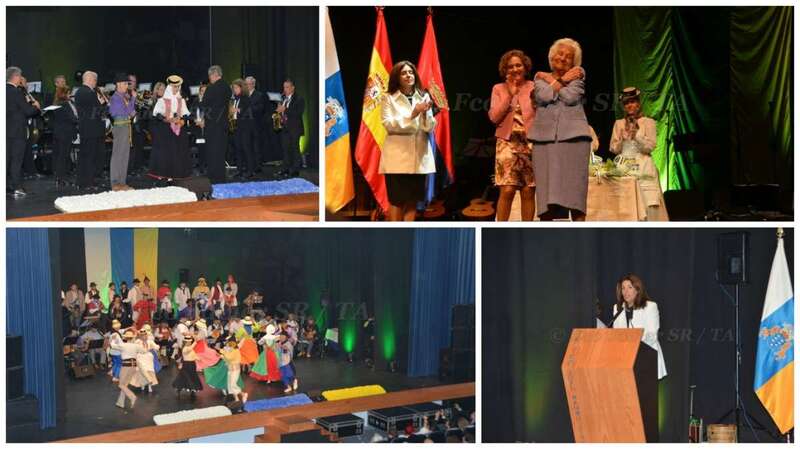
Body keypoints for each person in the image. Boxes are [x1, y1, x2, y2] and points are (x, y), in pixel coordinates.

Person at [528, 38, 591, 221]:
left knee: (575, 196)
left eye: (569, 57)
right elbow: (543, 95)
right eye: (560, 53)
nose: (563, 58)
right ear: (552, 55)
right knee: (546, 197)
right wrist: (560, 80)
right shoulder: (539, 78)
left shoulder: (579, 74)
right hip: (544, 141)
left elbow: (571, 97)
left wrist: (554, 82)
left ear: (574, 63)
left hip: (575, 139)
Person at [379, 61, 436, 221]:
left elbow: (429, 127)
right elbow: (389, 125)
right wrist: (414, 113)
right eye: (404, 73)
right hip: (397, 159)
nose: (408, 75)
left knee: (413, 200)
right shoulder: (388, 98)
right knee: (397, 200)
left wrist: (425, 114)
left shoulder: (423, 96)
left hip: (419, 157)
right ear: (397, 77)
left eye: (410, 72)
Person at [489, 50, 536, 221]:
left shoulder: (533, 86)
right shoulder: (498, 88)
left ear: (525, 67)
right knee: (507, 189)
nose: (515, 69)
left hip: (530, 143)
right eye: (510, 66)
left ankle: (527, 233)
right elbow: (494, 117)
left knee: (528, 190)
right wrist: (510, 93)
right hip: (507, 142)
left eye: (518, 65)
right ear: (505, 70)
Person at [609, 87, 669, 221]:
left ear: (638, 103)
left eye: (632, 102)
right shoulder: (619, 123)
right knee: (625, 204)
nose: (629, 105)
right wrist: (622, 139)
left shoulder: (648, 122)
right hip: (624, 165)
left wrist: (636, 135)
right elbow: (613, 148)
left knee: (647, 203)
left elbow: (650, 147)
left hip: (643, 164)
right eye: (626, 103)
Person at [611, 274, 667, 379]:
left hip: (646, 359)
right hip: (624, 362)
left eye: (629, 287)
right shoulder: (618, 308)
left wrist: (632, 350)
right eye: (623, 288)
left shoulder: (650, 306)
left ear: (637, 289)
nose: (625, 291)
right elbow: (616, 335)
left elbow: (651, 335)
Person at [6, 67, 41, 197]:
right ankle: (16, 187)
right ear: (15, 77)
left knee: (6, 159)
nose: (21, 79)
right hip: (17, 131)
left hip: (5, 130)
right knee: (16, 160)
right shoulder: (16, 92)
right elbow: (28, 111)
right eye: (20, 77)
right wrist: (36, 107)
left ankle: (6, 186)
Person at [149, 75, 191, 180]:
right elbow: (157, 114)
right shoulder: (162, 100)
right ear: (169, 86)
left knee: (178, 152)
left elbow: (186, 114)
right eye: (174, 86)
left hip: (179, 129)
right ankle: (165, 175)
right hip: (165, 130)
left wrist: (183, 121)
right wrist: (168, 119)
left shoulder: (181, 100)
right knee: (167, 153)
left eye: (177, 87)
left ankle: (177, 174)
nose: (176, 89)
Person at [74, 71, 108, 191]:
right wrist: (104, 104)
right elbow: (99, 111)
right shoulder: (90, 93)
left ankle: (82, 181)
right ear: (89, 79)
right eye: (95, 80)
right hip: (93, 129)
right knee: (91, 157)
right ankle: (89, 182)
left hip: (85, 128)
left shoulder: (78, 92)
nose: (96, 83)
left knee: (85, 156)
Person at [201, 65, 232, 183]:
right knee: (220, 152)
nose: (209, 79)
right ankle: (221, 177)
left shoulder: (211, 88)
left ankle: (213, 177)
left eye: (209, 76)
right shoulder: (227, 88)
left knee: (212, 151)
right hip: (223, 124)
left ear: (214, 74)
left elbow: (204, 105)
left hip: (212, 125)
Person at [108, 73, 136, 190]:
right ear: (118, 84)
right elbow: (127, 111)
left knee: (124, 155)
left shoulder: (123, 97)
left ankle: (122, 182)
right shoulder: (115, 97)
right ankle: (115, 182)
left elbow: (129, 111)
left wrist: (131, 103)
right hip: (120, 127)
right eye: (125, 84)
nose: (127, 86)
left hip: (125, 126)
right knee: (118, 155)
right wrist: (133, 99)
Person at [111, 329, 149, 409]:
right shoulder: (136, 345)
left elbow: (113, 346)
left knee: (121, 384)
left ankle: (132, 397)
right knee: (125, 385)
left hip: (126, 366)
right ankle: (120, 402)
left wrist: (113, 339)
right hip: (133, 366)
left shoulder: (123, 345)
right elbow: (144, 351)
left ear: (126, 338)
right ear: (132, 338)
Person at [275, 78, 305, 178]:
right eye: (284, 87)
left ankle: (295, 170)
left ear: (293, 88)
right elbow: (281, 111)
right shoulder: (282, 99)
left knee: (295, 149)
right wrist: (277, 114)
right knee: (285, 149)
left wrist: (285, 109)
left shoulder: (299, 98)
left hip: (294, 128)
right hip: (285, 127)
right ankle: (285, 169)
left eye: (287, 87)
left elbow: (298, 113)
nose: (285, 89)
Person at [50, 84, 78, 188]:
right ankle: (62, 179)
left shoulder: (57, 103)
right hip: (66, 133)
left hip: (58, 132)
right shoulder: (65, 104)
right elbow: (72, 119)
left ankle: (59, 178)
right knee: (64, 156)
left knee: (60, 156)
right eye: (69, 93)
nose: (70, 95)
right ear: (65, 93)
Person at [230, 78, 257, 178]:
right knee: (238, 148)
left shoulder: (246, 98)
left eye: (236, 87)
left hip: (246, 127)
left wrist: (237, 110)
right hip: (237, 126)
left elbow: (248, 111)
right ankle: (239, 170)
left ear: (241, 88)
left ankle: (250, 170)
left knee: (247, 148)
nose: (234, 89)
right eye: (233, 88)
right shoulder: (234, 99)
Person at [173, 333, 203, 397]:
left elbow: (194, 355)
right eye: (188, 342)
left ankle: (192, 390)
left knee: (192, 377)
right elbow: (189, 350)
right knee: (185, 377)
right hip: (187, 365)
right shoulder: (185, 349)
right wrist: (195, 342)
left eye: (190, 342)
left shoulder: (190, 348)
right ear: (185, 342)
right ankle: (179, 388)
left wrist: (198, 358)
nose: (189, 343)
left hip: (192, 364)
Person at [245, 76, 266, 169]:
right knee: (247, 145)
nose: (246, 86)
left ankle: (257, 167)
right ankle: (249, 165)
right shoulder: (244, 95)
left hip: (256, 124)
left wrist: (248, 110)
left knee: (256, 146)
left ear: (253, 84)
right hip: (245, 124)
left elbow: (261, 108)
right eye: (245, 84)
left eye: (248, 84)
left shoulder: (259, 95)